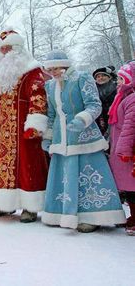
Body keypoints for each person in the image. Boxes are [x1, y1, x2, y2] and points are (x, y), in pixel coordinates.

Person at [41, 50, 126, 233]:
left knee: (88, 178)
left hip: (84, 137)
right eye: (50, 69)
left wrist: (82, 119)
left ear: (64, 65)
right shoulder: (49, 86)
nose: (53, 72)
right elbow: (52, 113)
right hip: (61, 138)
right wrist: (47, 137)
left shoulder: (82, 78)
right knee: (64, 177)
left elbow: (94, 105)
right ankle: (61, 214)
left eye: (55, 68)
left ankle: (93, 217)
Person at [0, 28, 48, 223]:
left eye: (8, 48)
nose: (4, 52)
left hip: (21, 129)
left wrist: (35, 122)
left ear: (18, 49)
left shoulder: (31, 71)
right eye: (2, 49)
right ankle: (3, 204)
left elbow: (38, 98)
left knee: (27, 167)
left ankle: (30, 207)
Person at [108, 62, 135, 235]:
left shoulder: (132, 99)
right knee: (128, 187)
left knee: (133, 186)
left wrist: (124, 150)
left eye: (121, 78)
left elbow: (130, 126)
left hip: (127, 151)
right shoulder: (122, 96)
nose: (117, 81)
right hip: (119, 146)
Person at [92, 66, 117, 139]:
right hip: (101, 120)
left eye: (103, 75)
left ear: (109, 77)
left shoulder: (117, 87)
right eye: (98, 77)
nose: (100, 78)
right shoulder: (93, 91)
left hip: (115, 118)